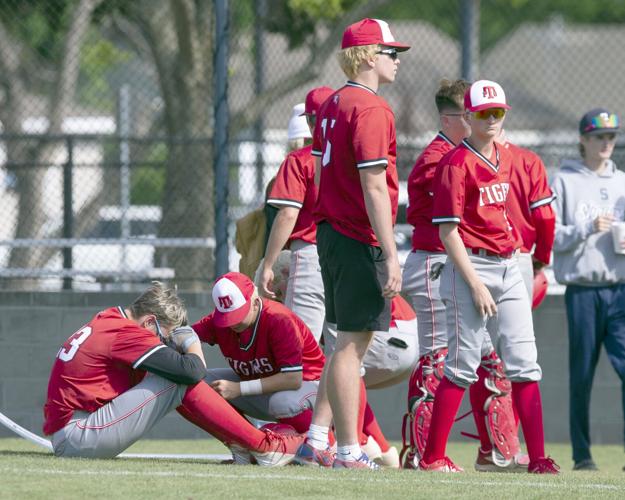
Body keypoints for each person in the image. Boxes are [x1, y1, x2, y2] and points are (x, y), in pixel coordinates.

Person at [420, 79, 559, 474]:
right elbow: (449, 232)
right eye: (484, 113)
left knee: (524, 362)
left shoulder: (511, 157)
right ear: (468, 116)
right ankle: (432, 458)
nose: (493, 119)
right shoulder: (455, 163)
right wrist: (476, 284)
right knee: (462, 364)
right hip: (470, 267)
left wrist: (529, 262)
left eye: (498, 112)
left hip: (510, 263)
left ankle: (538, 459)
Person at [402, 79, 526, 472]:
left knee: (485, 361)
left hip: (466, 265)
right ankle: (424, 453)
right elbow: (450, 224)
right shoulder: (444, 158)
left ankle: (494, 449)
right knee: (439, 361)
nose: (486, 120)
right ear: (451, 118)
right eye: (473, 114)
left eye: (492, 113)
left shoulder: (470, 154)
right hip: (436, 264)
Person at [43, 282, 303, 464]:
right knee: (177, 378)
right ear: (149, 322)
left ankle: (242, 446)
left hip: (76, 430)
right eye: (164, 337)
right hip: (78, 435)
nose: (164, 344)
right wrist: (190, 342)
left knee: (176, 377)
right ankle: (264, 446)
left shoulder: (110, 319)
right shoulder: (125, 331)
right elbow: (192, 371)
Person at [311, 17, 408, 469]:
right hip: (355, 235)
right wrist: (390, 252)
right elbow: (374, 186)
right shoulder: (370, 108)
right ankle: (348, 450)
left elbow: (319, 173)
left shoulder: (331, 103)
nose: (397, 61)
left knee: (343, 344)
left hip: (331, 233)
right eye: (391, 53)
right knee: (352, 346)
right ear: (369, 56)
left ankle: (317, 438)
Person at [551, 108, 625, 471]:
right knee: (581, 374)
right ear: (583, 139)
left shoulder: (622, 182)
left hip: (619, 291)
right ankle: (582, 454)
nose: (606, 143)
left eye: (611, 136)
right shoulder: (564, 180)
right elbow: (552, 236)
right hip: (581, 290)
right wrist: (587, 227)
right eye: (599, 136)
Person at [192, 272, 325, 462]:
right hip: (266, 387)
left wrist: (239, 389)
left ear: (255, 301)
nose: (233, 322)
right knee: (200, 383)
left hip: (310, 388)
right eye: (226, 316)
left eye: (238, 313)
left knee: (282, 402)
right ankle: (244, 447)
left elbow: (292, 379)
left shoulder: (279, 318)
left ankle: (322, 443)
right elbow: (186, 335)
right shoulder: (218, 322)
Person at [260, 87, 335, 342]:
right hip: (350, 254)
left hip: (311, 254)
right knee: (344, 353)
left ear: (311, 122)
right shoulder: (356, 159)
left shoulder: (300, 159)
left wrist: (268, 264)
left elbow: (287, 215)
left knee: (303, 349)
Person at [496, 129, 556, 298]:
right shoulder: (527, 160)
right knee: (517, 324)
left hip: (473, 260)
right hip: (518, 256)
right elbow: (545, 217)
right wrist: (541, 257)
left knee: (476, 324)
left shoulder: (459, 159)